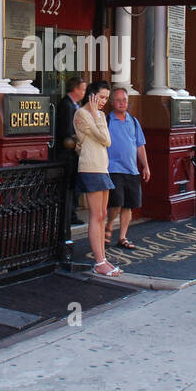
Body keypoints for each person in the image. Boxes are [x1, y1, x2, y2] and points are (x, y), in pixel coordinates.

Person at [74, 80, 119, 276]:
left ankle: (103, 259)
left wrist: (97, 117)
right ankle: (99, 261)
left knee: (102, 215)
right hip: (90, 167)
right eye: (101, 97)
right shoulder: (82, 114)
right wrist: (95, 115)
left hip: (103, 167)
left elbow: (105, 140)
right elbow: (105, 139)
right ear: (91, 96)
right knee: (95, 215)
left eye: (106, 98)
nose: (104, 102)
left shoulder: (99, 115)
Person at [106, 87, 150, 251]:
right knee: (116, 202)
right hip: (113, 168)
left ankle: (122, 237)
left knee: (128, 205)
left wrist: (145, 166)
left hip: (131, 169)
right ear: (112, 102)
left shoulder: (133, 121)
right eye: (118, 100)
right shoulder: (107, 120)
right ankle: (109, 225)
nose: (122, 103)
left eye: (124, 100)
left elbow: (140, 145)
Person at [52, 75, 86, 226]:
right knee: (69, 185)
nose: (84, 92)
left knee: (74, 184)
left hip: (73, 154)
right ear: (75, 89)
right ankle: (68, 215)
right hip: (67, 155)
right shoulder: (66, 105)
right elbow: (66, 132)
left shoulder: (74, 105)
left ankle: (71, 213)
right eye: (83, 89)